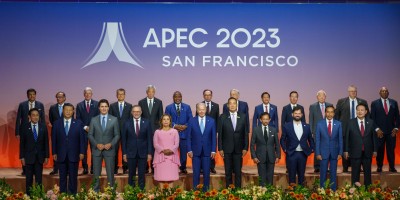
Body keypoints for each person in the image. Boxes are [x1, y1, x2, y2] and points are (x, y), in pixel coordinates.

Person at [52, 103, 85, 194]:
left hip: (74, 154)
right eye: (66, 110)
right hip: (61, 154)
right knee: (62, 176)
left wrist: (82, 152)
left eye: (70, 110)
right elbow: (54, 139)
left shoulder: (78, 123)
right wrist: (54, 152)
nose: (68, 112)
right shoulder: (56, 123)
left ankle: (72, 195)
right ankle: (63, 194)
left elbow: (82, 139)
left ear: (73, 111)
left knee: (73, 176)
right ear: (63, 111)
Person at [88, 99, 120, 192]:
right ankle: (95, 191)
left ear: (108, 107)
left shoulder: (114, 119)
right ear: (99, 108)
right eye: (102, 106)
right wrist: (96, 144)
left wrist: (111, 144)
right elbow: (90, 134)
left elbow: (117, 135)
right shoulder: (94, 120)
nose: (104, 108)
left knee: (110, 173)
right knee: (96, 173)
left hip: (109, 150)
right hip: (97, 150)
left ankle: (111, 191)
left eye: (106, 106)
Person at [335, 85, 369, 173]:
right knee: (345, 148)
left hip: (359, 129)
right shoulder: (341, 101)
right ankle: (345, 167)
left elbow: (368, 116)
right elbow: (337, 116)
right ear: (348, 92)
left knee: (359, 148)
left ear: (356, 92)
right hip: (345, 129)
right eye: (351, 91)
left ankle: (359, 167)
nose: (353, 92)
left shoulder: (363, 101)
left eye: (354, 91)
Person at [218, 97, 249, 188]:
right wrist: (220, 148)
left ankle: (238, 191)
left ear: (237, 105)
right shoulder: (222, 117)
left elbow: (245, 133)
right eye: (230, 103)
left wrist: (245, 147)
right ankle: (229, 191)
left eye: (234, 103)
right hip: (227, 149)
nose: (232, 105)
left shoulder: (243, 116)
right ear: (227, 105)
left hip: (239, 149)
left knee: (238, 172)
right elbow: (220, 134)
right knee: (228, 173)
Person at [344, 104, 377, 186]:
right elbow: (347, 137)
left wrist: (375, 150)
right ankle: (355, 192)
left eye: (362, 110)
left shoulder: (371, 122)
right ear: (356, 111)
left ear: (366, 112)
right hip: (355, 152)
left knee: (367, 174)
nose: (360, 112)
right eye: (358, 110)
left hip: (367, 152)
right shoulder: (350, 122)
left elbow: (374, 138)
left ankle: (367, 191)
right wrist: (346, 150)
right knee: (355, 174)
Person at [280, 107, 314, 186]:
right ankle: (292, 195)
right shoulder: (287, 126)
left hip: (303, 154)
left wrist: (312, 148)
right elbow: (282, 139)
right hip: (291, 153)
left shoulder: (307, 126)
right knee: (291, 176)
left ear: (302, 115)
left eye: (299, 113)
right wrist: (285, 149)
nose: (297, 115)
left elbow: (310, 139)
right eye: (296, 113)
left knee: (301, 175)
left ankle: (300, 194)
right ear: (292, 114)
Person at [121, 105, 153, 190]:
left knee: (142, 174)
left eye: (138, 111)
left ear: (141, 112)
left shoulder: (147, 122)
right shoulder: (126, 123)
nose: (136, 113)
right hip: (130, 153)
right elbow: (124, 140)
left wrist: (149, 153)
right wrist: (124, 153)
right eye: (134, 111)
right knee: (131, 174)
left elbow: (150, 139)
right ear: (131, 112)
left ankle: (141, 193)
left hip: (143, 153)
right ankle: (131, 192)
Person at [19, 108, 49, 195]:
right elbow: (22, 144)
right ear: (29, 116)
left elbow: (46, 142)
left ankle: (38, 195)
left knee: (39, 178)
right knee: (29, 179)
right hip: (28, 157)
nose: (35, 117)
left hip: (40, 157)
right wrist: (22, 157)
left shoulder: (43, 126)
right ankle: (28, 195)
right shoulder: (24, 127)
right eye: (33, 115)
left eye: (37, 115)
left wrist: (46, 156)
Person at [16, 88, 45, 176]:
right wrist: (17, 132)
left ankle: (35, 170)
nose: (32, 96)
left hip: (37, 130)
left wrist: (42, 129)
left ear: (35, 95)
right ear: (27, 95)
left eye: (33, 94)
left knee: (36, 148)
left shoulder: (40, 105)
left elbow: (42, 118)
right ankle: (25, 169)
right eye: (30, 94)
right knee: (25, 148)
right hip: (25, 131)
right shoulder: (22, 105)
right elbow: (18, 119)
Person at [187, 103, 217, 191]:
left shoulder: (211, 121)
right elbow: (189, 136)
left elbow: (213, 137)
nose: (201, 111)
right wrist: (189, 150)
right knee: (196, 173)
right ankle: (195, 192)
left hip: (207, 151)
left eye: (203, 109)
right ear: (196, 110)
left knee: (206, 173)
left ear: (206, 110)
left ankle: (205, 192)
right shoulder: (191, 121)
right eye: (199, 109)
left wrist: (213, 150)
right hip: (195, 151)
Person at [370, 87, 399, 173]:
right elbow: (372, 118)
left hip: (391, 132)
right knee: (380, 150)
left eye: (386, 91)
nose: (384, 92)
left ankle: (392, 167)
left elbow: (397, 117)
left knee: (391, 150)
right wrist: (377, 129)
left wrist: (396, 128)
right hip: (380, 132)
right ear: (380, 93)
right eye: (382, 91)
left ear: (388, 93)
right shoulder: (374, 103)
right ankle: (379, 167)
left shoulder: (394, 102)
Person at [315, 105, 342, 191]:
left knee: (333, 172)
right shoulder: (320, 124)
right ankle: (322, 190)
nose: (330, 114)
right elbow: (318, 140)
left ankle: (333, 190)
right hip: (323, 153)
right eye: (328, 112)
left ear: (334, 113)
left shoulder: (338, 124)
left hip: (335, 152)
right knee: (323, 172)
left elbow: (340, 139)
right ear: (325, 113)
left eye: (331, 112)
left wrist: (340, 152)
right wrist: (318, 153)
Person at [165, 91, 192, 174]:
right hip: (172, 134)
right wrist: (175, 126)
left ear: (181, 97)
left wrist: (185, 126)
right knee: (172, 152)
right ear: (173, 98)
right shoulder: (168, 107)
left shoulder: (187, 107)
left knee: (183, 153)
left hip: (184, 133)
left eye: (179, 96)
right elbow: (166, 119)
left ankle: (183, 168)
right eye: (176, 97)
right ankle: (172, 167)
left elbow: (190, 119)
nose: (177, 98)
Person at [250, 112, 280, 186]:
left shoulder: (273, 130)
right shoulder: (256, 130)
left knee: (270, 178)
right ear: (260, 120)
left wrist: (278, 156)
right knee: (262, 178)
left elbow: (277, 144)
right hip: (260, 157)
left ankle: (269, 193)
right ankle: (262, 193)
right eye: (264, 119)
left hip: (271, 157)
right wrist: (254, 156)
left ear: (269, 120)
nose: (266, 121)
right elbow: (252, 144)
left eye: (267, 119)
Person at [138, 85, 163, 174]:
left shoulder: (159, 102)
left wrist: (160, 130)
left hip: (155, 130)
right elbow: (139, 117)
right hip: (143, 130)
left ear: (154, 92)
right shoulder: (141, 102)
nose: (151, 93)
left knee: (154, 149)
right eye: (149, 91)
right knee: (144, 148)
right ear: (146, 92)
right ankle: (144, 167)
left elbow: (161, 117)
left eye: (152, 91)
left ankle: (153, 168)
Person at [153, 114, 180, 188]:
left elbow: (176, 143)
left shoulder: (174, 131)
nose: (166, 121)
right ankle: (162, 195)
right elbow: (155, 144)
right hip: (160, 157)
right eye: (164, 119)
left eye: (167, 119)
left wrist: (171, 150)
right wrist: (162, 150)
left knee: (171, 178)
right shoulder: (157, 132)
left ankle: (170, 195)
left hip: (172, 157)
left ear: (170, 121)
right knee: (161, 177)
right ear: (161, 121)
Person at [76, 87, 99, 175]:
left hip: (94, 131)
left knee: (94, 150)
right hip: (83, 131)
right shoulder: (79, 105)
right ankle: (85, 168)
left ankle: (93, 168)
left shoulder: (97, 104)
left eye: (89, 93)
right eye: (86, 93)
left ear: (91, 94)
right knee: (83, 149)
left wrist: (92, 127)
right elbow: (78, 119)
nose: (87, 95)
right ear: (84, 94)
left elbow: (98, 117)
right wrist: (85, 127)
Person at [281, 91, 305, 173]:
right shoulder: (285, 108)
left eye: (295, 96)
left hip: (299, 133)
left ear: (297, 98)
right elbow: (282, 122)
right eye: (292, 96)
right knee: (289, 152)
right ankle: (289, 168)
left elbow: (304, 121)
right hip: (289, 134)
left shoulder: (301, 107)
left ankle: (298, 168)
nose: (294, 98)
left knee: (299, 152)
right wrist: (284, 133)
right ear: (289, 97)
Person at [109, 88, 132, 174]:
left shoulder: (129, 106)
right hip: (115, 132)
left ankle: (125, 167)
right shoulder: (112, 106)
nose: (121, 95)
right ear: (116, 95)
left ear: (125, 95)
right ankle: (114, 168)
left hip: (126, 132)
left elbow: (130, 120)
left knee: (125, 149)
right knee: (114, 150)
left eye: (122, 94)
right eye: (119, 94)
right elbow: (110, 119)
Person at [309, 90, 333, 173]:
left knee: (328, 148)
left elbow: (333, 118)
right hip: (317, 131)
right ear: (317, 97)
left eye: (323, 96)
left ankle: (328, 166)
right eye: (320, 96)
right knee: (317, 149)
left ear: (325, 97)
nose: (322, 97)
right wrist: (311, 131)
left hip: (328, 131)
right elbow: (311, 119)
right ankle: (317, 166)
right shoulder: (312, 106)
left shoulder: (330, 105)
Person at [200, 89, 219, 174]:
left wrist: (217, 131)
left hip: (212, 131)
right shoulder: (200, 105)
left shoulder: (216, 105)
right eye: (206, 95)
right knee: (202, 148)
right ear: (203, 96)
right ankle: (201, 167)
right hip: (202, 131)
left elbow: (217, 119)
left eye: (209, 95)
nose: (207, 96)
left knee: (212, 149)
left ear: (211, 96)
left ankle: (212, 167)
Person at [48, 91, 67, 176]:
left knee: (66, 150)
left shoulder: (68, 107)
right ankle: (55, 169)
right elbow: (51, 120)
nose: (59, 98)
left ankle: (66, 169)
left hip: (66, 132)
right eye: (57, 97)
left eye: (60, 97)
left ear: (64, 98)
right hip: (55, 132)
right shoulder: (52, 108)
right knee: (55, 150)